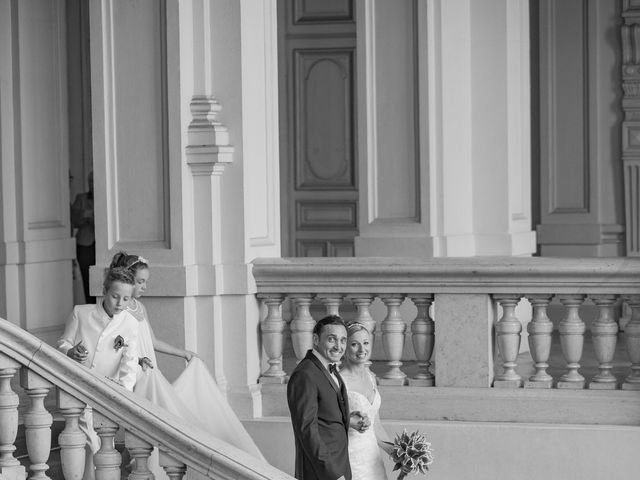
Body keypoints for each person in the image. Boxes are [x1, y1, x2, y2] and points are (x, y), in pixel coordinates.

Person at [108, 251, 265, 463]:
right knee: (145, 423)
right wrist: (136, 362)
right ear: (128, 280)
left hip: (150, 370)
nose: (144, 287)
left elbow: (152, 342)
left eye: (146, 281)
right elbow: (116, 346)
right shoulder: (119, 309)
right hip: (134, 373)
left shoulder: (140, 307)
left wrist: (183, 353)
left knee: (162, 420)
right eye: (140, 281)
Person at [58, 266, 140, 480]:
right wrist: (70, 351)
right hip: (80, 387)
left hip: (108, 393)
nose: (120, 303)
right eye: (115, 296)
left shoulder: (131, 323)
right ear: (104, 290)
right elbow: (62, 343)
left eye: (126, 299)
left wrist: (125, 392)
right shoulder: (81, 313)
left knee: (105, 443)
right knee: (92, 442)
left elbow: (130, 362)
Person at [287, 315, 368, 480]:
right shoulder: (305, 374)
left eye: (343, 340)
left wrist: (348, 419)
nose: (339, 346)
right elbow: (306, 430)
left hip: (341, 465)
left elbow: (323, 417)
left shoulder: (329, 367)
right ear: (316, 339)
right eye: (332, 339)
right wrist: (332, 473)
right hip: (322, 472)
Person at [339, 322, 394, 480]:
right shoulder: (339, 381)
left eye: (366, 343)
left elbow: (376, 426)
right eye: (355, 344)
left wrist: (398, 452)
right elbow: (330, 422)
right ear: (344, 347)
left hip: (373, 460)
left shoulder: (371, 377)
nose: (362, 350)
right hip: (351, 458)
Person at [71, 170, 95, 303]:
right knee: (87, 277)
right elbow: (73, 221)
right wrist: (84, 217)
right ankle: (89, 306)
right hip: (84, 243)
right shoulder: (81, 198)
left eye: (95, 181)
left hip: (103, 244)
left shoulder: (107, 199)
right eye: (90, 181)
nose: (92, 184)